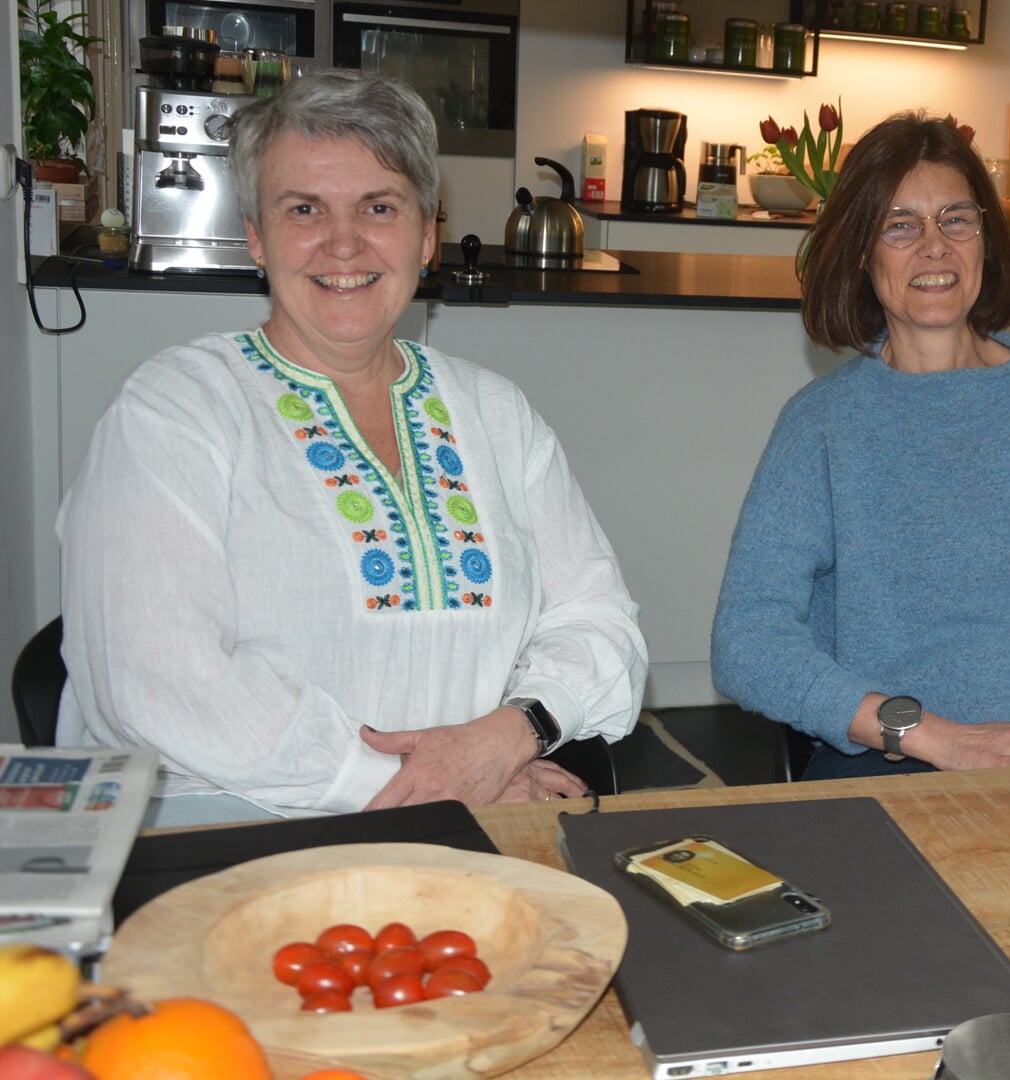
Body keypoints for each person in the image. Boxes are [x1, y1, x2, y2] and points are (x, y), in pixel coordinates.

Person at [56, 71, 648, 824]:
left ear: (427, 235)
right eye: (304, 208)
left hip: (473, 811)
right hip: (222, 833)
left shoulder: (495, 413)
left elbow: (600, 621)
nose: (343, 243)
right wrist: (421, 784)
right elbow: (154, 681)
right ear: (257, 238)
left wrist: (506, 740)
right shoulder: (174, 411)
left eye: (379, 207)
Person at [710, 112, 1010, 780]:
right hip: (893, 757)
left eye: (956, 218)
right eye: (900, 224)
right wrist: (937, 738)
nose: (935, 247)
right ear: (862, 252)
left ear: (987, 239)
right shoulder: (821, 425)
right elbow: (747, 641)